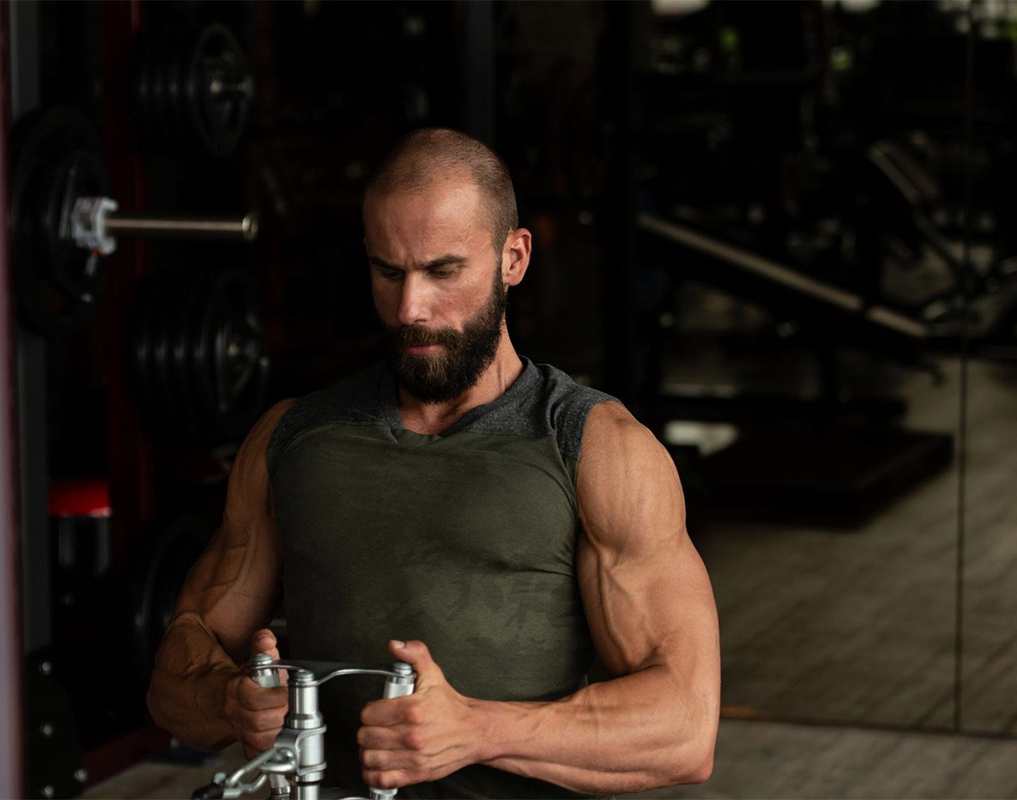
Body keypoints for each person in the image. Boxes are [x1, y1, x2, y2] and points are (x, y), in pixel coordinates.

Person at [147, 128, 720, 798]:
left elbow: (684, 730)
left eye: (443, 271)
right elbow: (173, 678)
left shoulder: (598, 449)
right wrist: (227, 699)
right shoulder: (293, 438)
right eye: (389, 272)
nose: (411, 309)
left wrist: (478, 729)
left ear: (514, 257)